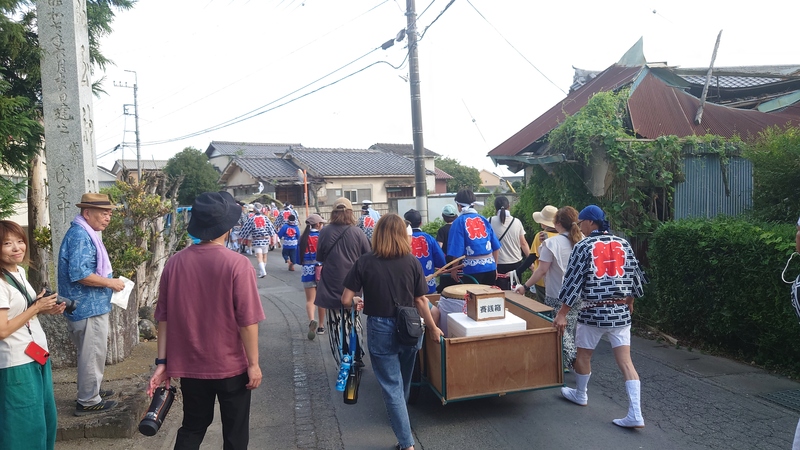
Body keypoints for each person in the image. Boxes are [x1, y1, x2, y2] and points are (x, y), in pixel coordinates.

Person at [148, 191, 265, 450]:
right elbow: (247, 321)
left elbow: (163, 318)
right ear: (227, 226)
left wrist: (163, 362)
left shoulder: (174, 264)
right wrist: (254, 364)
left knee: (192, 426)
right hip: (232, 364)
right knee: (235, 433)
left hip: (190, 365)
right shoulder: (238, 265)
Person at [341, 213, 443, 450]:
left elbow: (346, 299)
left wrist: (357, 299)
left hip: (380, 327)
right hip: (410, 328)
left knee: (392, 387)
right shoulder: (412, 262)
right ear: (402, 236)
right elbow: (420, 300)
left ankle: (407, 445)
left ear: (377, 235)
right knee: (401, 385)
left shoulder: (364, 262)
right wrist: (433, 327)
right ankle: (403, 434)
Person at [554, 205, 647, 428]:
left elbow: (573, 282)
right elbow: (636, 276)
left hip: (592, 312)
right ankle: (635, 413)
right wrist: (630, 301)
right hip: (619, 313)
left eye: (582, 223)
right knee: (626, 361)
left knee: (584, 355)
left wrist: (562, 313)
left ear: (590, 223)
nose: (580, 227)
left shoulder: (584, 246)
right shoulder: (624, 243)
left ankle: (581, 394)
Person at [58, 192, 126, 415]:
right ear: (87, 213)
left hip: (86, 306)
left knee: (90, 352)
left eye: (109, 214)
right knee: (92, 353)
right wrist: (110, 283)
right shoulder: (81, 235)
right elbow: (80, 273)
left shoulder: (84, 232)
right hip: (87, 307)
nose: (108, 218)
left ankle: (91, 390)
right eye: (103, 213)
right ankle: (88, 400)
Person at [0, 220, 64, 450]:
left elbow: (24, 313)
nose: (17, 247)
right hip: (15, 363)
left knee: (43, 419)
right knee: (22, 426)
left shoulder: (18, 272)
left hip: (37, 356)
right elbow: (3, 330)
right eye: (7, 243)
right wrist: (36, 308)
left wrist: (43, 307)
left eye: (20, 241)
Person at [514, 206, 582, 370]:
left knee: (560, 329)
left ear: (557, 223)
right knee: (569, 327)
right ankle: (567, 361)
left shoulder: (550, 243)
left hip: (557, 293)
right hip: (579, 295)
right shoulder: (582, 240)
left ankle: (574, 363)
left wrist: (525, 286)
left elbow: (542, 270)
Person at [314, 197, 371, 363]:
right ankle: (357, 353)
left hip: (331, 284)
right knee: (353, 320)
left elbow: (320, 257)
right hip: (353, 286)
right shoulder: (357, 232)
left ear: (333, 213)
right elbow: (367, 257)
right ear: (350, 213)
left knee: (336, 321)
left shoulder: (324, 232)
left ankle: (343, 356)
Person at [445, 189, 501, 286]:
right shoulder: (483, 219)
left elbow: (457, 249)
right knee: (488, 298)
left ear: (459, 206)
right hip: (490, 267)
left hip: (472, 270)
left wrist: (454, 269)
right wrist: (495, 267)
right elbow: (496, 246)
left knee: (473, 300)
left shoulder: (458, 222)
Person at [490, 196, 531, 290]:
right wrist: (530, 261)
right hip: (516, 263)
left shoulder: (489, 221)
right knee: (515, 292)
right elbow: (523, 243)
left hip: (497, 264)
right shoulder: (517, 222)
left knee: (499, 293)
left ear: (495, 208)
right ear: (509, 207)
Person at [405, 209, 446, 294]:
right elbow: (441, 261)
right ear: (421, 223)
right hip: (428, 287)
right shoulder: (429, 238)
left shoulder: (402, 240)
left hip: (408, 288)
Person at [299, 214, 327, 339]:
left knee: (310, 300)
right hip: (321, 270)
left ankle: (312, 320)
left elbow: (297, 258)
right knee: (321, 299)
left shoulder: (303, 238)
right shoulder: (322, 237)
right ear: (318, 225)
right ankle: (321, 326)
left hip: (307, 270)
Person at [239, 202, 277, 278]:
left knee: (259, 256)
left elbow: (245, 230)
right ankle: (262, 270)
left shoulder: (251, 219)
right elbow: (271, 229)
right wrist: (273, 240)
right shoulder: (265, 218)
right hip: (266, 240)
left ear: (254, 210)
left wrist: (242, 238)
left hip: (256, 240)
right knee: (264, 255)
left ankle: (263, 271)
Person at [530, 205, 559, 303]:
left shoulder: (540, 236)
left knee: (543, 310)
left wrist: (517, 272)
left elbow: (532, 256)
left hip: (541, 280)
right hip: (557, 282)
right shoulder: (563, 236)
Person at [435, 204, 459, 293]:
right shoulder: (459, 228)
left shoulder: (442, 230)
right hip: (461, 264)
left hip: (447, 265)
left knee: (446, 291)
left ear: (443, 217)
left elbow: (439, 249)